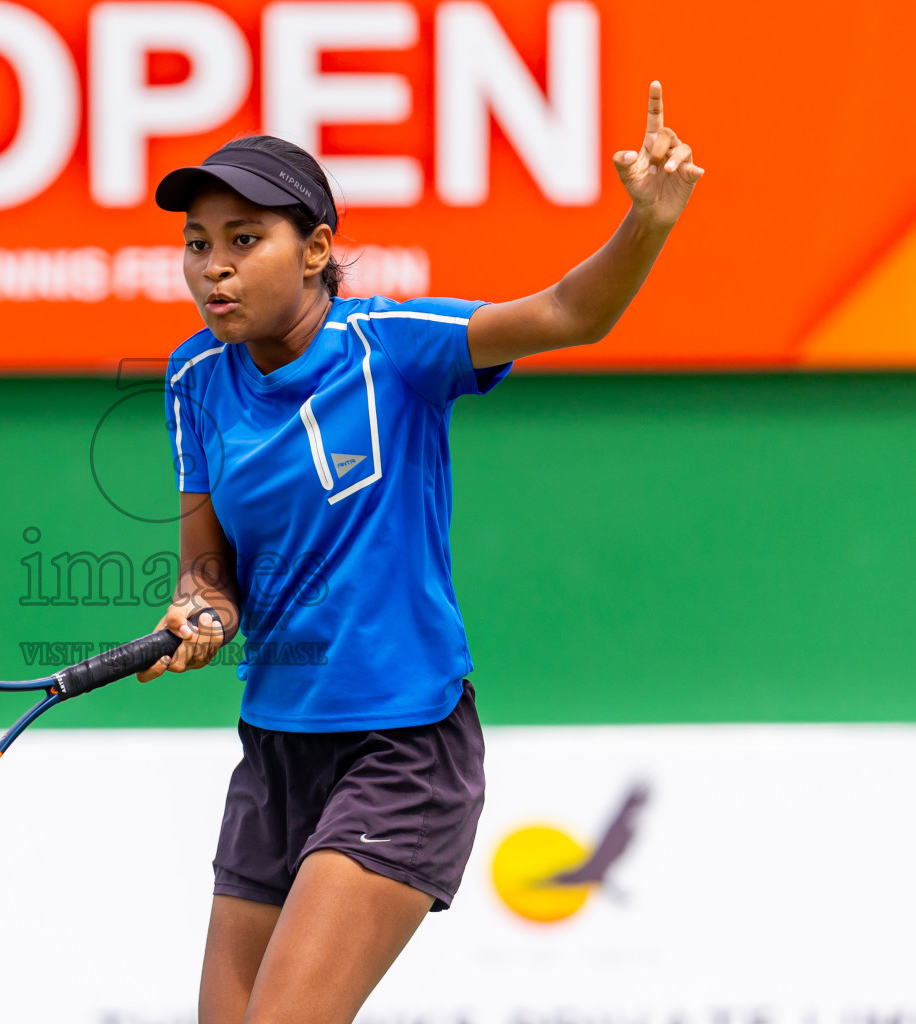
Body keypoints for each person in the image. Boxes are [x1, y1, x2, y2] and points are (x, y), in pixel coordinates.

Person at [136, 82, 703, 1024]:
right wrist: (204, 607)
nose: (213, 269)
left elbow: (570, 313)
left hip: (400, 748)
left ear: (316, 250)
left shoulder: (394, 346)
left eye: (245, 240)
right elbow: (209, 558)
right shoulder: (195, 377)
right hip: (275, 749)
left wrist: (645, 224)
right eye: (198, 243)